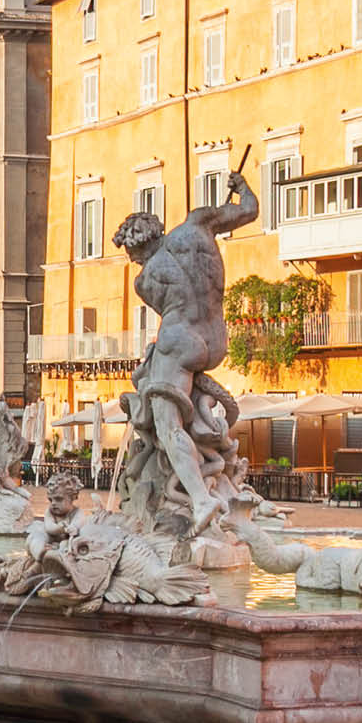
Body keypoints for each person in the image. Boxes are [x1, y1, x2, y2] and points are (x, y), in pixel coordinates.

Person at [112, 168, 257, 536]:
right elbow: (250, 209)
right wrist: (240, 187)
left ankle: (199, 496)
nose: (131, 260)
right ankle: (206, 462)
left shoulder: (144, 280)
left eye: (129, 252)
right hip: (216, 339)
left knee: (166, 421)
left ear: (135, 245)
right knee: (185, 404)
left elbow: (170, 311)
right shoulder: (198, 224)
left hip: (179, 340)